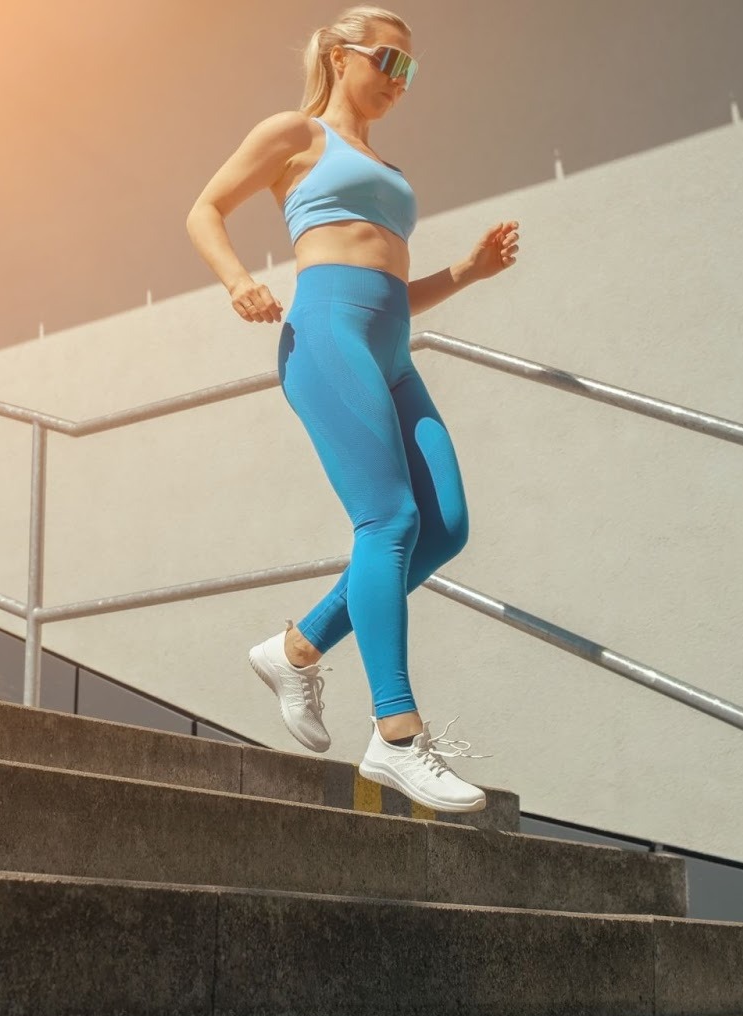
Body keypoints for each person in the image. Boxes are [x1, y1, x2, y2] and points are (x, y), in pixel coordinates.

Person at [186, 5, 518, 813]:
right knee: (390, 520)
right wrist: (238, 281)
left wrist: (467, 272)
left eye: (411, 70)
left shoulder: (385, 166)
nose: (401, 81)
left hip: (391, 348)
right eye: (389, 62)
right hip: (326, 335)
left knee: (445, 527)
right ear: (340, 56)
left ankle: (297, 648)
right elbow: (205, 209)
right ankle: (396, 734)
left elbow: (392, 288)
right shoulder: (295, 134)